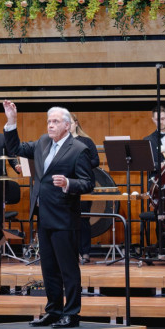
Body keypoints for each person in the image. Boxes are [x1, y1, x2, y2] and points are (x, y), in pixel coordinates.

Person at [2, 100, 94, 328]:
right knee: (49, 268)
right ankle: (54, 310)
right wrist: (11, 122)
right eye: (48, 121)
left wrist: (69, 183)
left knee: (68, 269)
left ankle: (71, 313)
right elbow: (16, 149)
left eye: (55, 122)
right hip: (43, 216)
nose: (50, 125)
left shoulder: (79, 149)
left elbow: (88, 183)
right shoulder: (43, 142)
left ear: (66, 125)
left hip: (64, 216)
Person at [70, 112, 99, 264]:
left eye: (70, 122)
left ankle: (85, 252)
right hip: (66, 185)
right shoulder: (60, 142)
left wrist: (81, 163)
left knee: (83, 219)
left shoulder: (86, 141)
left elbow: (96, 160)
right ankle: (71, 252)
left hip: (83, 184)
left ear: (75, 123)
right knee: (68, 219)